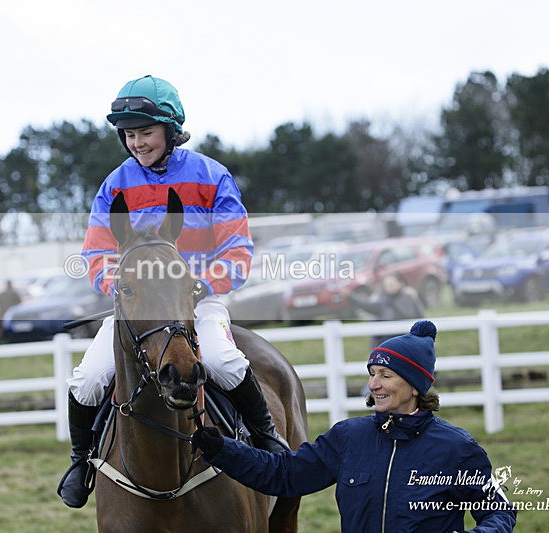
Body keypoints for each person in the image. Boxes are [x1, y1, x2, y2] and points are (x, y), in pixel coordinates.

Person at [59, 75, 287, 509]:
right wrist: (122, 289)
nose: (138, 143)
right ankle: (81, 461)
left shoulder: (211, 175)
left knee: (222, 359)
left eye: (146, 132)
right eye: (129, 135)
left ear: (170, 128)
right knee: (88, 378)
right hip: (138, 305)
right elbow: (97, 254)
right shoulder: (114, 185)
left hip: (197, 300)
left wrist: (203, 284)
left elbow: (237, 248)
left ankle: (267, 438)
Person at [192, 320, 517, 532]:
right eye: (372, 374)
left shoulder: (458, 449)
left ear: (416, 386)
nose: (374, 385)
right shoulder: (349, 437)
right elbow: (284, 475)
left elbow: (499, 513)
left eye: (385, 376)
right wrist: (221, 448)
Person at [349, 273, 425, 346]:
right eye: (386, 285)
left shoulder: (409, 297)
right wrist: (350, 296)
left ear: (400, 284)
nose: (388, 287)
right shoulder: (381, 300)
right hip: (387, 342)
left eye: (391, 284)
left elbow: (417, 316)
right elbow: (366, 306)